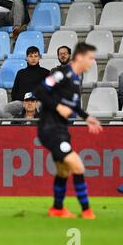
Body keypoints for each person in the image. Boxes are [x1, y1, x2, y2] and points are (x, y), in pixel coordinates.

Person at [34, 42, 103, 220]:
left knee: (64, 171)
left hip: (62, 130)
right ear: (79, 57)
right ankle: (87, 211)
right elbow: (40, 90)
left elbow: (73, 105)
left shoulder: (75, 79)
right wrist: (57, 107)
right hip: (50, 129)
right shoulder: (61, 74)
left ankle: (57, 209)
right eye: (90, 58)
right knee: (78, 166)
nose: (91, 62)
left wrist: (87, 117)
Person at [4, 46, 49, 117]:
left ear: (39, 57)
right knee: (5, 110)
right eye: (30, 56)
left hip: (37, 102)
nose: (33, 58)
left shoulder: (46, 72)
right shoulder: (20, 73)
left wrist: (34, 100)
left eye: (35, 56)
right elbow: (14, 92)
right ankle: (15, 126)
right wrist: (25, 101)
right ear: (26, 58)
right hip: (22, 102)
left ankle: (34, 126)